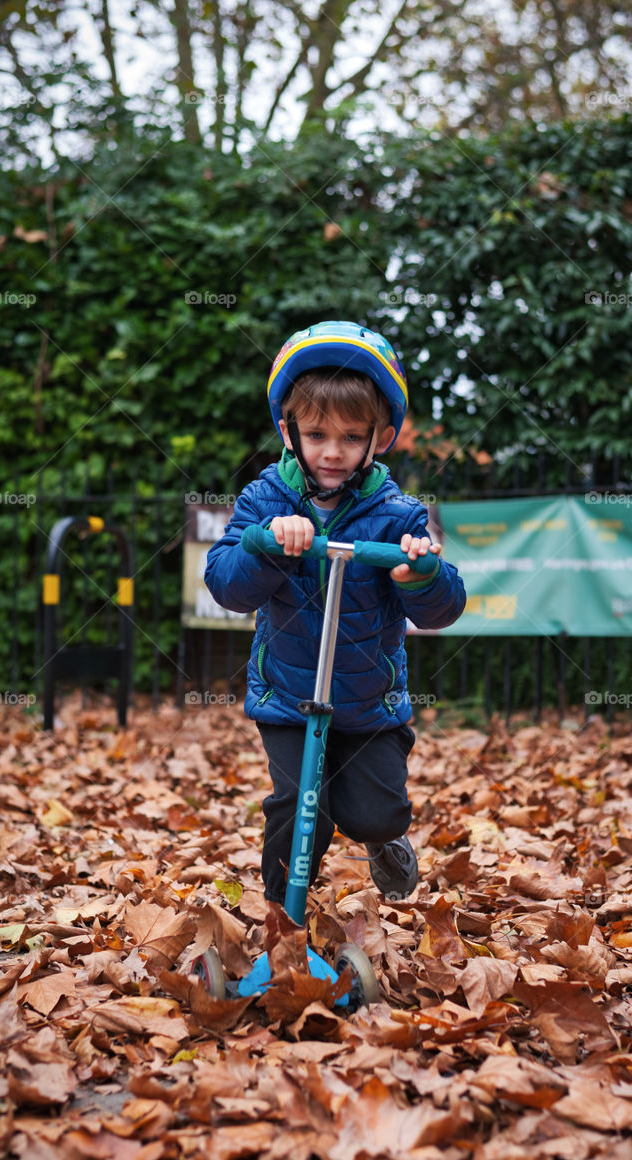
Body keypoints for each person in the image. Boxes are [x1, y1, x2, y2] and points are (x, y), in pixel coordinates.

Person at [205, 321, 465, 913]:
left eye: (351, 436)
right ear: (288, 430)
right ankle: (280, 915)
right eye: (317, 433)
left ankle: (384, 839)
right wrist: (265, 546)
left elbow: (446, 604)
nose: (331, 451)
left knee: (375, 812)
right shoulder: (265, 501)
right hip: (290, 696)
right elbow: (226, 584)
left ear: (382, 437)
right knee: (299, 810)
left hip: (369, 703)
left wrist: (421, 575)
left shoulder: (399, 514)